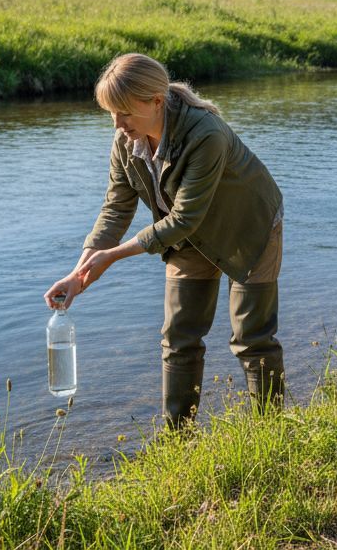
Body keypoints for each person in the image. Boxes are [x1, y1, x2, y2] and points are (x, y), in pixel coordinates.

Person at [44, 53, 285, 426]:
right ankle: (178, 438)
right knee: (178, 337)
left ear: (156, 102)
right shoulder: (127, 142)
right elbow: (115, 210)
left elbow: (184, 217)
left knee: (250, 337)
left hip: (248, 228)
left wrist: (112, 256)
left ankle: (272, 430)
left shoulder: (206, 134)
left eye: (124, 112)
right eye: (111, 113)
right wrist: (78, 273)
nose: (117, 123)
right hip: (186, 236)